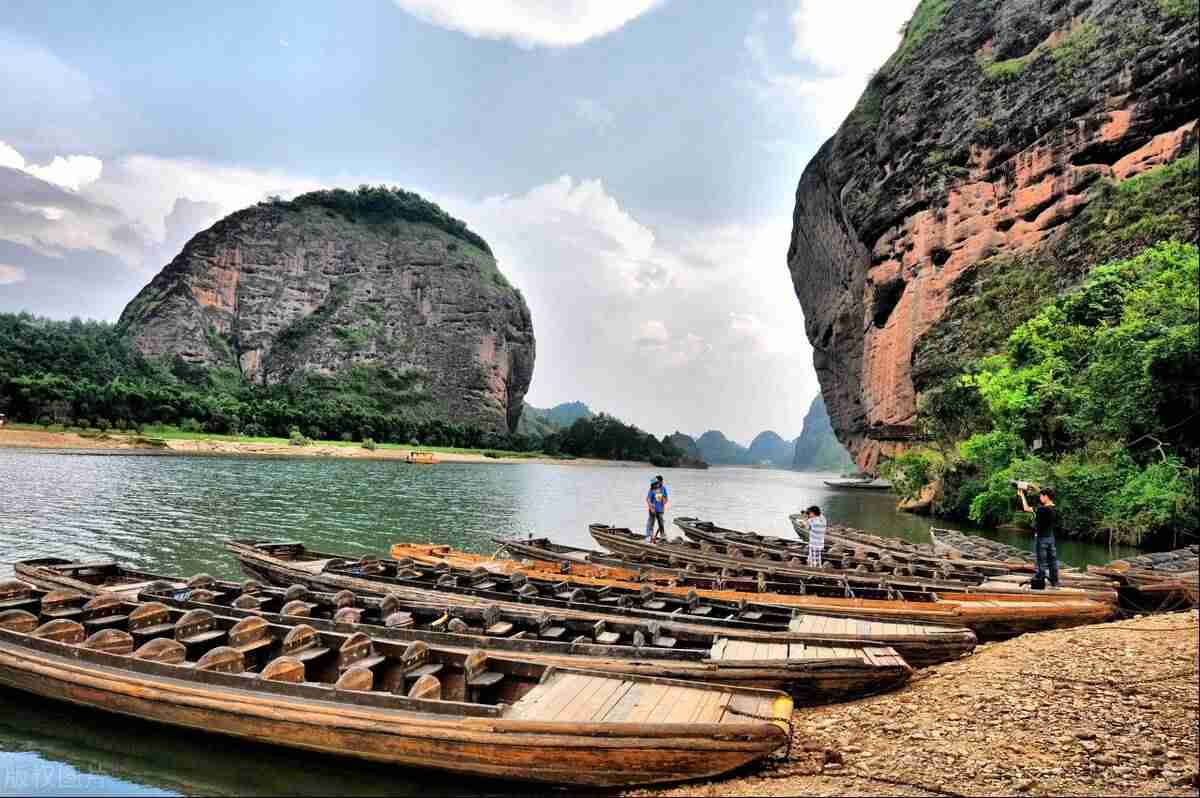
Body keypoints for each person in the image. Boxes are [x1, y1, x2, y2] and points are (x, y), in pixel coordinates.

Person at [1018, 484, 1060, 589]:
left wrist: (1022, 495)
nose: (1040, 498)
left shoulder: (1042, 510)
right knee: (1052, 561)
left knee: (1041, 562)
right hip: (1051, 538)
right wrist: (1036, 488)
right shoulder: (1055, 509)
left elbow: (1026, 508)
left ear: (1046, 497)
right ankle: (1055, 583)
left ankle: (1039, 582)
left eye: (1041, 496)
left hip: (1041, 538)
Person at [644, 475, 669, 542]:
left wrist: (663, 506)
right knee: (651, 523)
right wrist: (651, 507)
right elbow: (648, 499)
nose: (658, 484)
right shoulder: (651, 490)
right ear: (654, 484)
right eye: (657, 483)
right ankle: (649, 536)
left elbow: (664, 499)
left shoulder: (662, 489)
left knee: (661, 523)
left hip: (660, 510)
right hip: (653, 510)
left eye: (658, 483)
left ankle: (662, 535)